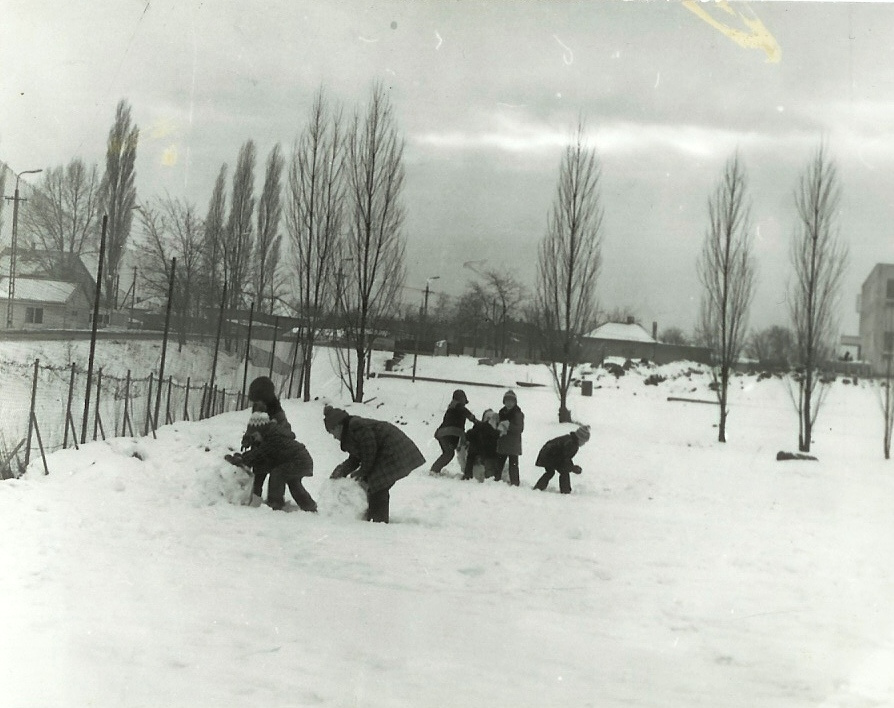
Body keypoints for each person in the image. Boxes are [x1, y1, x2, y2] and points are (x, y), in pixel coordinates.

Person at [323, 404, 425, 523]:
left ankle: (378, 522)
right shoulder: (351, 430)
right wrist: (342, 470)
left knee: (377, 485)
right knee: (374, 485)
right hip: (387, 452)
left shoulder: (356, 425)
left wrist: (363, 471)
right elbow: (356, 457)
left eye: (332, 432)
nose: (334, 437)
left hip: (394, 450)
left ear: (338, 426)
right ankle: (375, 518)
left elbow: (369, 449)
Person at [226, 402, 317, 512]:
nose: (255, 439)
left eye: (255, 436)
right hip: (300, 460)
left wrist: (243, 459)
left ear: (261, 431)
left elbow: (260, 452)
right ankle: (309, 506)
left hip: (300, 461)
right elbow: (260, 451)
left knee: (278, 473)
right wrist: (243, 457)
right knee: (293, 483)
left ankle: (275, 504)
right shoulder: (269, 434)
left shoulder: (273, 437)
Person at [243, 376, 296, 504]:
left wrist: (270, 434)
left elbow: (285, 432)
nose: (256, 404)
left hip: (275, 449)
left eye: (259, 400)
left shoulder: (277, 412)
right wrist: (248, 437)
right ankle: (254, 500)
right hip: (260, 448)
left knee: (276, 477)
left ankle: (275, 502)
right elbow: (253, 425)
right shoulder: (257, 407)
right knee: (257, 475)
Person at [533, 425, 591, 494]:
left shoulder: (570, 440)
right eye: (584, 442)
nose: (583, 444)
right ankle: (565, 491)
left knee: (551, 472)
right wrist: (573, 468)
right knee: (563, 471)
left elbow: (565, 458)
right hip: (550, 456)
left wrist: (571, 467)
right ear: (580, 438)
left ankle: (539, 487)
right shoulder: (571, 444)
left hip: (548, 453)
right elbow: (565, 459)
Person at [430, 389, 477, 474]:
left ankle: (435, 469)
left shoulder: (452, 407)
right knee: (448, 453)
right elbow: (468, 414)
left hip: (443, 434)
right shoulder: (459, 407)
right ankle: (434, 470)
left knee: (448, 453)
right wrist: (476, 421)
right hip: (447, 434)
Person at [494, 389, 524, 486]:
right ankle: (496, 480)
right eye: (507, 401)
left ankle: (515, 483)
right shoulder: (501, 412)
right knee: (499, 463)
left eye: (511, 401)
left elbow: (519, 428)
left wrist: (508, 425)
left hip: (513, 444)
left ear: (515, 402)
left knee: (513, 465)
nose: (509, 403)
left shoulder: (518, 413)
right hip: (503, 442)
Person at [461, 408, 501, 481]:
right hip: (489, 452)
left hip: (475, 450)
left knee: (470, 458)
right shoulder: (494, 428)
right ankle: (492, 477)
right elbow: (496, 436)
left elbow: (470, 434)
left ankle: (467, 475)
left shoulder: (478, 425)